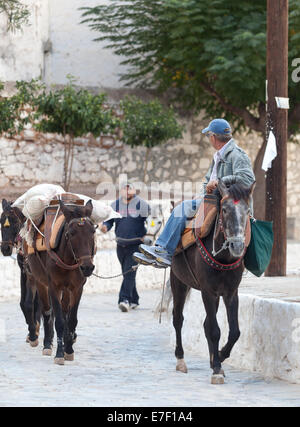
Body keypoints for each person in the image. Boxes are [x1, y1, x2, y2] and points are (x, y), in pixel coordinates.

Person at [139, 118, 255, 267]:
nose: (208, 139)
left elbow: (247, 179)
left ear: (213, 137)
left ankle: (164, 251)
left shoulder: (237, 155)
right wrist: (202, 192)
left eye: (208, 136)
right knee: (186, 205)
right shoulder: (220, 155)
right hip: (211, 198)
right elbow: (208, 180)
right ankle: (161, 250)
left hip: (224, 201)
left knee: (181, 208)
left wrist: (221, 181)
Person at [101, 182, 150, 312]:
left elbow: (152, 220)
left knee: (129, 272)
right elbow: (109, 220)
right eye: (124, 189)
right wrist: (105, 226)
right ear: (120, 191)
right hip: (120, 245)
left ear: (135, 191)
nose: (127, 191)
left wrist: (148, 234)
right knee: (127, 273)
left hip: (136, 245)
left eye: (130, 189)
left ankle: (124, 300)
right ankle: (135, 299)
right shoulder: (115, 205)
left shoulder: (142, 205)